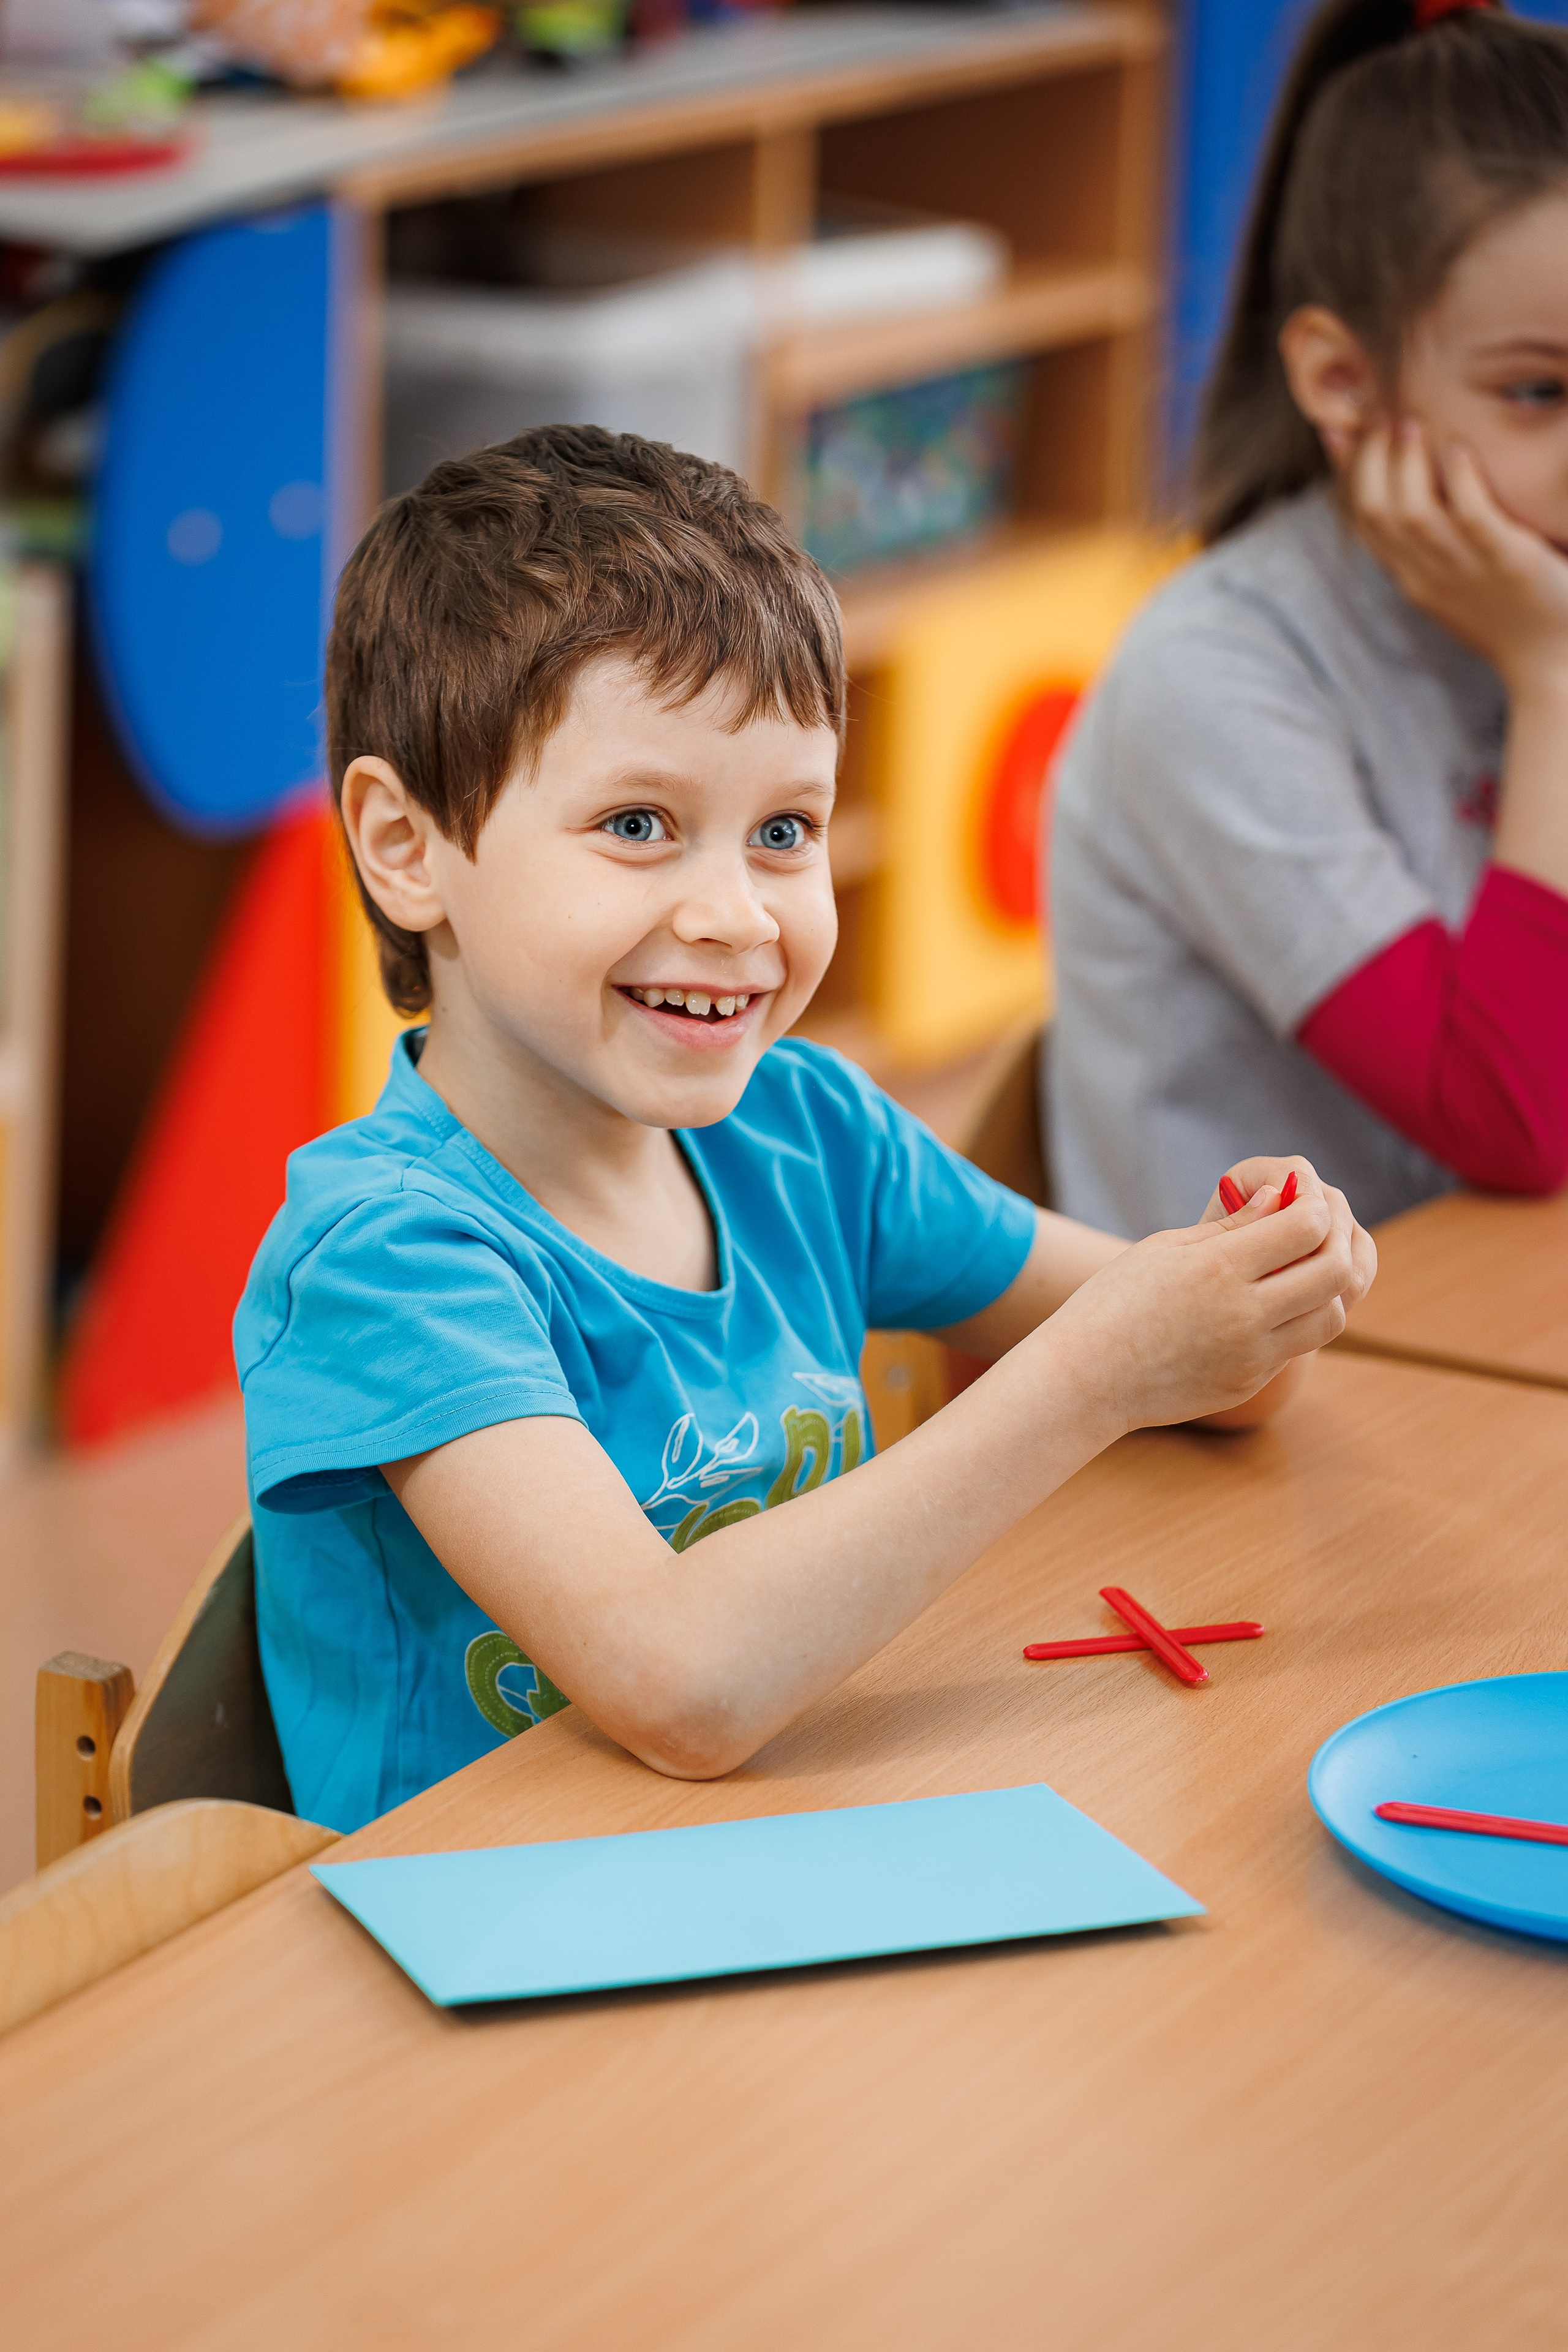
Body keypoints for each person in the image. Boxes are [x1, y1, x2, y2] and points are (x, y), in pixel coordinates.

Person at [235, 426, 1372, 1833]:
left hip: (782, 1842)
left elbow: (1215, 1385)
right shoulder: (381, 1255)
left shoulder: (806, 1130)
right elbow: (680, 1688)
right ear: (407, 849)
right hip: (487, 1915)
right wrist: (1095, 1373)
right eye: (638, 824)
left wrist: (1245, 1281)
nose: (737, 915)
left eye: (784, 831)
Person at [1048, 0, 1568, 1240]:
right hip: (1265, 1350)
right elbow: (1511, 1117)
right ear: (1342, 381)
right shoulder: (1211, 677)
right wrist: (1552, 679)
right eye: (1538, 391)